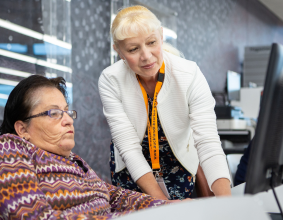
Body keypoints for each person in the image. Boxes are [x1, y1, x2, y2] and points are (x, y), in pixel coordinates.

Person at [0, 75, 169, 220]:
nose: (68, 121)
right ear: (22, 128)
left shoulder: (73, 160)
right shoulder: (6, 150)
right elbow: (34, 216)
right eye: (53, 113)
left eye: (66, 112)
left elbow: (114, 196)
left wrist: (166, 208)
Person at [98, 5, 231, 201]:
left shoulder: (189, 74)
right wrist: (164, 205)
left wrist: (228, 205)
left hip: (178, 162)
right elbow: (129, 149)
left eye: (151, 42)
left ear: (161, 36)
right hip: (133, 168)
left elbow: (208, 143)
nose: (146, 56)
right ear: (118, 51)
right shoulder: (111, 80)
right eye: (133, 49)